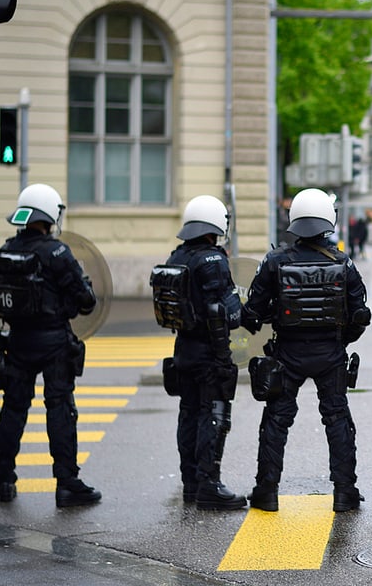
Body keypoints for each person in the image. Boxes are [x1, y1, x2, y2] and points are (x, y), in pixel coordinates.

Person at [242, 188, 371, 512]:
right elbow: (359, 313)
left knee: (276, 420)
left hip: (287, 353)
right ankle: (345, 493)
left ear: (293, 220)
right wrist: (341, 340)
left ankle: (267, 492)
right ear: (329, 220)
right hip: (330, 353)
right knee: (338, 419)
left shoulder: (275, 261)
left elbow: (252, 312)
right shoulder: (343, 263)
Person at [0, 184, 101, 507]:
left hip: (18, 342)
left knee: (13, 409)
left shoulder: (6, 250)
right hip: (53, 344)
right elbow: (86, 301)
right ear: (50, 215)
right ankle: (67, 484)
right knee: (60, 409)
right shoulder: (56, 252)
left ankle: (3, 479)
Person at [150, 195, 246, 510]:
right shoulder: (213, 260)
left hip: (183, 349)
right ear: (215, 224)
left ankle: (191, 483)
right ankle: (210, 484)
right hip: (210, 350)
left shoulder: (177, 256)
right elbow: (229, 313)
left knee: (188, 413)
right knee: (214, 414)